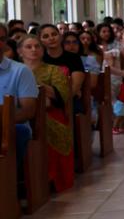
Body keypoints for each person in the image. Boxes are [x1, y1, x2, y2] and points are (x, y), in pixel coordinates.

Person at [17, 35, 74, 192]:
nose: (34, 50)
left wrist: (36, 86)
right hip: (20, 111)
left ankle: (47, 179)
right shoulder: (15, 70)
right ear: (20, 51)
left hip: (50, 112)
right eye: (29, 47)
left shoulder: (53, 70)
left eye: (37, 46)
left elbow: (61, 97)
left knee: (42, 125)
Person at [0, 41, 38, 164]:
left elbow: (28, 111)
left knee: (19, 131)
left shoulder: (20, 71)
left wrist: (3, 120)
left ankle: (10, 173)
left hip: (11, 125)